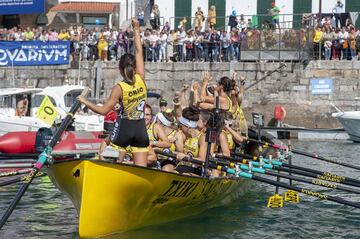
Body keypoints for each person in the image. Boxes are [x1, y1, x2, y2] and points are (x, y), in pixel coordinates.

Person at [77, 18, 148, 167]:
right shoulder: (141, 77)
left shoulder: (119, 88)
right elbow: (139, 50)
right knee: (142, 170)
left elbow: (103, 111)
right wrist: (136, 29)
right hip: (141, 129)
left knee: (113, 167)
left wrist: (84, 101)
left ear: (120, 69)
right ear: (134, 67)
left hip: (125, 129)